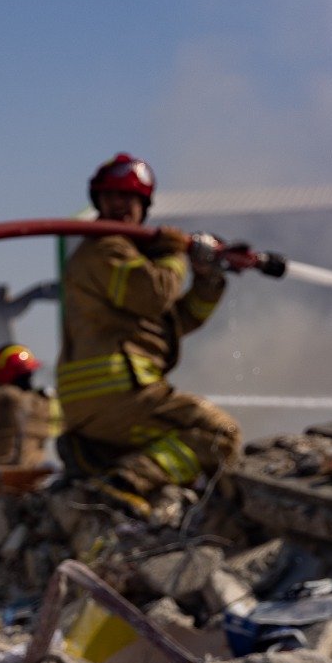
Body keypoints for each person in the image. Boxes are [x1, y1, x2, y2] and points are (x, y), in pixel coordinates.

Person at [55, 154, 238, 518]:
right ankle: (126, 481)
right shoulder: (106, 248)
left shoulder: (128, 256)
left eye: (131, 198)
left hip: (105, 396)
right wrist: (173, 254)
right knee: (220, 435)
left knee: (185, 438)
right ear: (99, 202)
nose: (121, 205)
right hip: (116, 389)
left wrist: (208, 279)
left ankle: (97, 456)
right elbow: (154, 295)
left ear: (144, 206)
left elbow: (175, 323)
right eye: (112, 197)